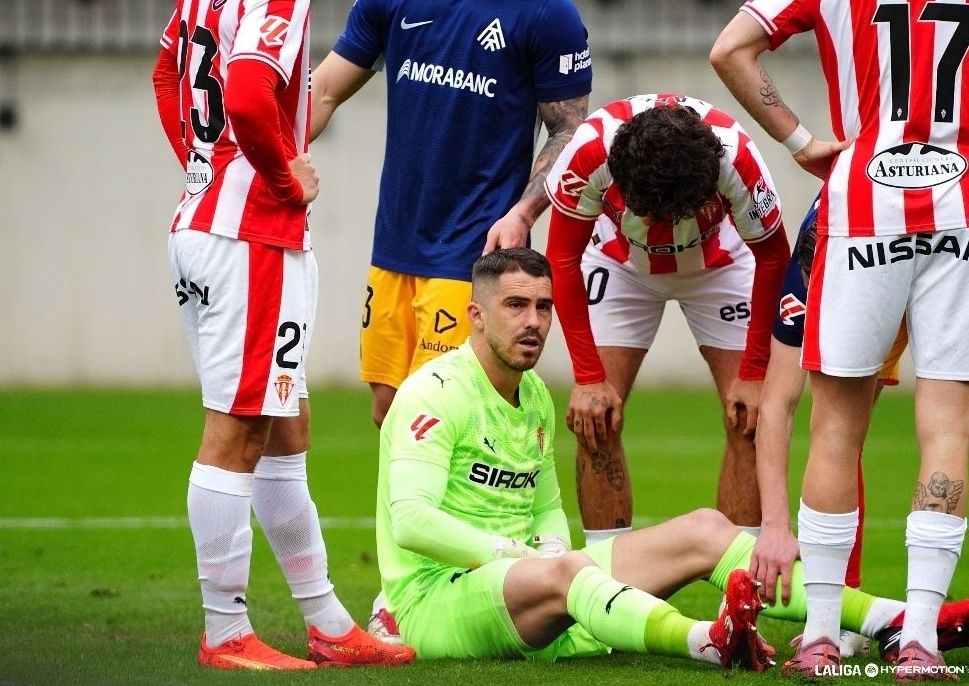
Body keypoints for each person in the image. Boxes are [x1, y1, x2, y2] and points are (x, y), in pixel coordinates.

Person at [376, 247, 969, 666]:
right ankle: (708, 640)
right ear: (476, 315)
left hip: (531, 585)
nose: (534, 322)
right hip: (440, 601)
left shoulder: (531, 394)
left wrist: (550, 547)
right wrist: (520, 558)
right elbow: (411, 522)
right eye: (515, 306)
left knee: (707, 529)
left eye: (544, 306)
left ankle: (895, 620)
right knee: (571, 571)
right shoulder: (435, 392)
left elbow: (546, 506)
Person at [308, 0, 593, 640]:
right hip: (395, 247)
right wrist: (267, 158)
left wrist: (524, 211)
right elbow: (324, 90)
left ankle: (430, 590)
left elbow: (571, 129)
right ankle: (416, 577)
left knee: (443, 413)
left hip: (472, 253)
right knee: (391, 413)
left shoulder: (546, 14)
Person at [152, 0, 414, 670]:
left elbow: (165, 73)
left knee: (283, 430)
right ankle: (225, 631)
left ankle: (327, 622)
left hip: (213, 227)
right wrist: (278, 179)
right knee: (239, 431)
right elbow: (245, 93)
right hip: (250, 242)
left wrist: (204, 169)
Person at [711, 2, 969, 677]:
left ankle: (821, 636)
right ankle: (920, 640)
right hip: (961, 204)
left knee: (835, 427)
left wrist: (799, 141)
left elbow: (729, 50)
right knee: (948, 427)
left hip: (863, 200)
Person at [544, 94, 791, 545]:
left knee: (750, 418)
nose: (659, 225)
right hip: (619, 262)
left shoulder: (737, 158)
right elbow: (561, 257)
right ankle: (606, 575)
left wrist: (755, 373)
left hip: (720, 263)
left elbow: (774, 256)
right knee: (595, 418)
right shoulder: (590, 149)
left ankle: (740, 578)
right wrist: (587, 378)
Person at [752, 196, 909, 658]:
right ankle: (842, 608)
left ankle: (854, 606)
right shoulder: (803, 277)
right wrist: (774, 527)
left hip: (917, 258)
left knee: (848, 428)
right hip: (867, 238)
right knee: (838, 432)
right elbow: (775, 405)